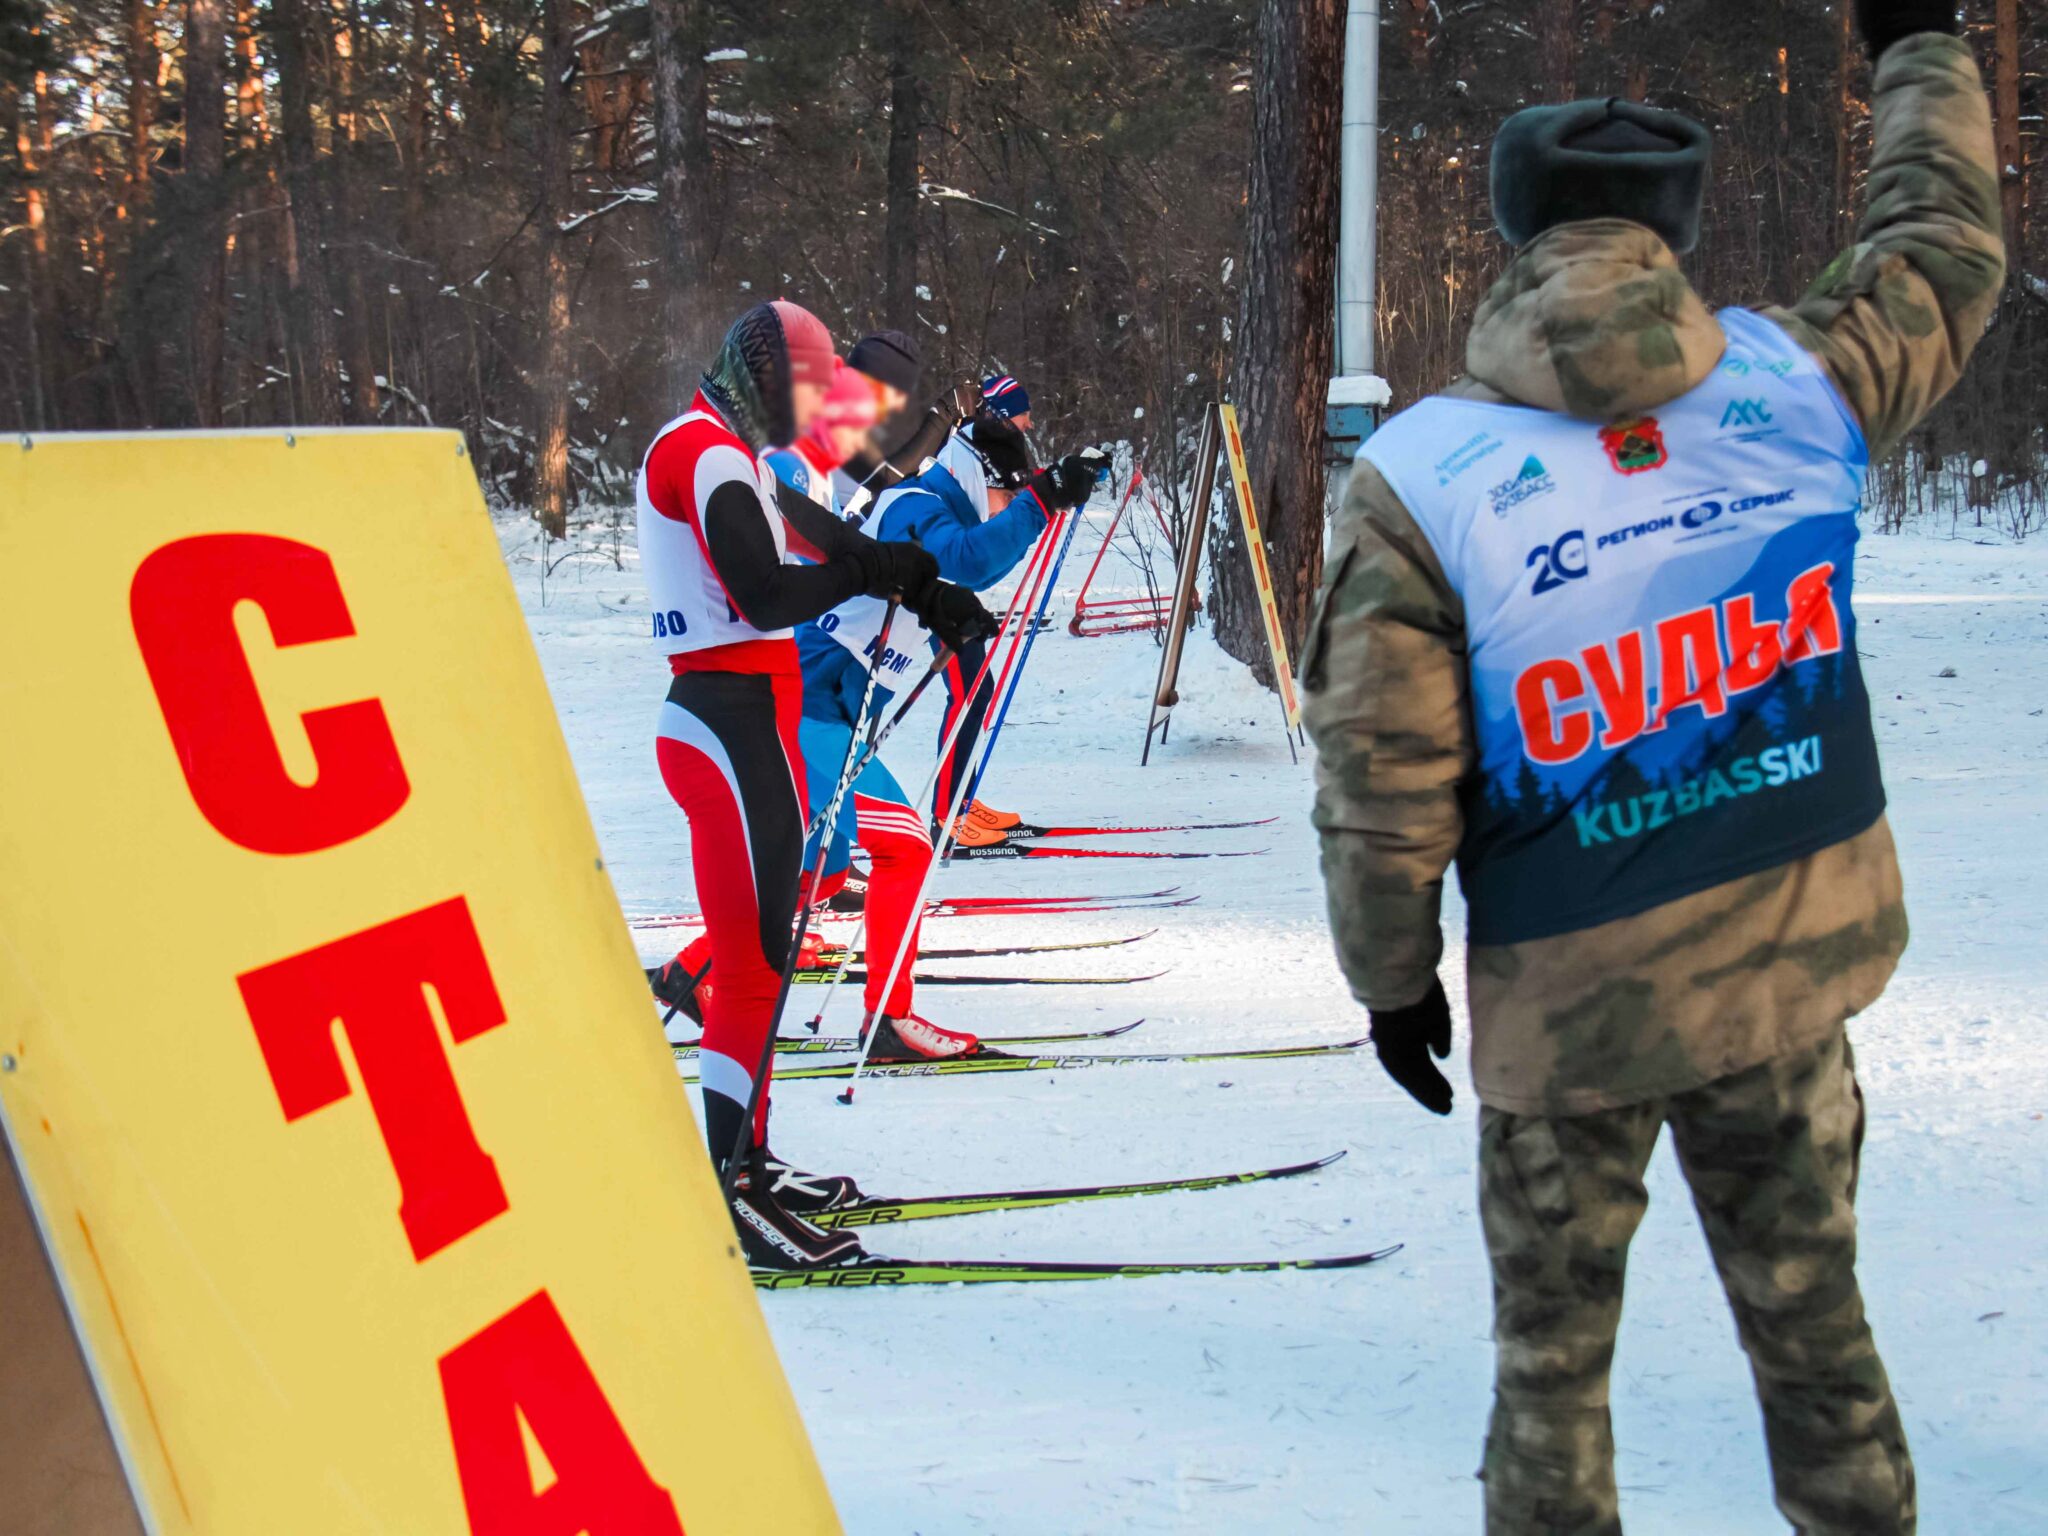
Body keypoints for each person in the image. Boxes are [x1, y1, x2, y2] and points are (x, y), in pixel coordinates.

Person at [1301, 6, 2002, 1532]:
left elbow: (1382, 773)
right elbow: (1942, 248)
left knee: (1550, 1385)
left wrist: (1391, 978)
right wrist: (1921, 50)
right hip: (1784, 968)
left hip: (1570, 1012)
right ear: (1675, 226)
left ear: (1509, 229)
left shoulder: (1424, 475)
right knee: (1823, 1354)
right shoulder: (1797, 381)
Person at [637, 298, 987, 1269]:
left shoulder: (725, 450)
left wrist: (907, 577)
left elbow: (811, 531)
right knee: (751, 968)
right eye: (812, 387)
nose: (819, 411)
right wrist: (875, 573)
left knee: (764, 959)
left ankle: (746, 1160)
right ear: (768, 375)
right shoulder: (705, 452)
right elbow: (763, 591)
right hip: (726, 721)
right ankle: (731, 1187)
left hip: (744, 721)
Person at [794, 417, 1100, 1064]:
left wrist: (954, 623)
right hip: (804, 709)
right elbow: (967, 560)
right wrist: (1042, 499)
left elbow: (950, 583)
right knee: (903, 849)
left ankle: (699, 974)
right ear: (977, 475)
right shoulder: (915, 505)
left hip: (825, 714)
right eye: (1004, 496)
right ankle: (889, 1021)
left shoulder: (929, 514)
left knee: (821, 868)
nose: (1004, 512)